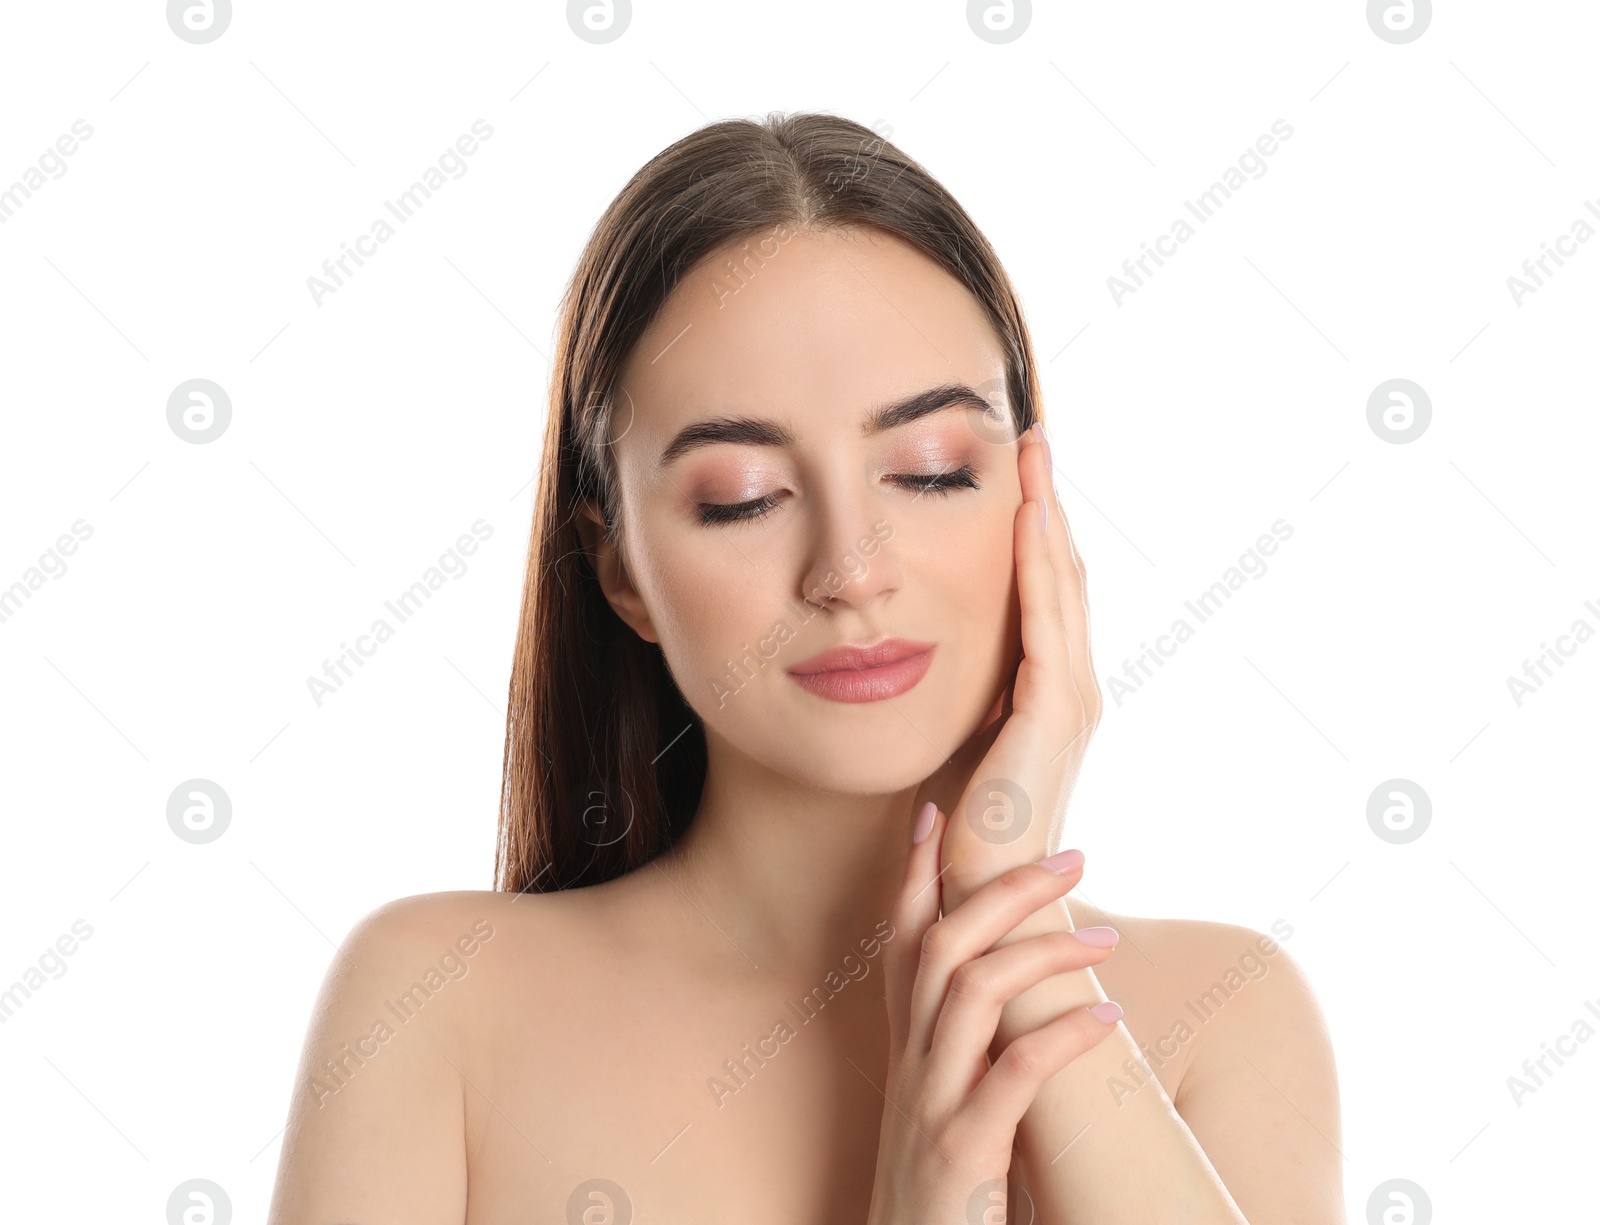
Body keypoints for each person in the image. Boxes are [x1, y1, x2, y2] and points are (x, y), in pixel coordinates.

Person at [267, 112, 1342, 1224]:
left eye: (929, 472)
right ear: (621, 570)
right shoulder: (435, 1011)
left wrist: (1008, 909)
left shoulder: (1225, 1017)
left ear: (1037, 495)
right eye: (742, 497)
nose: (850, 569)